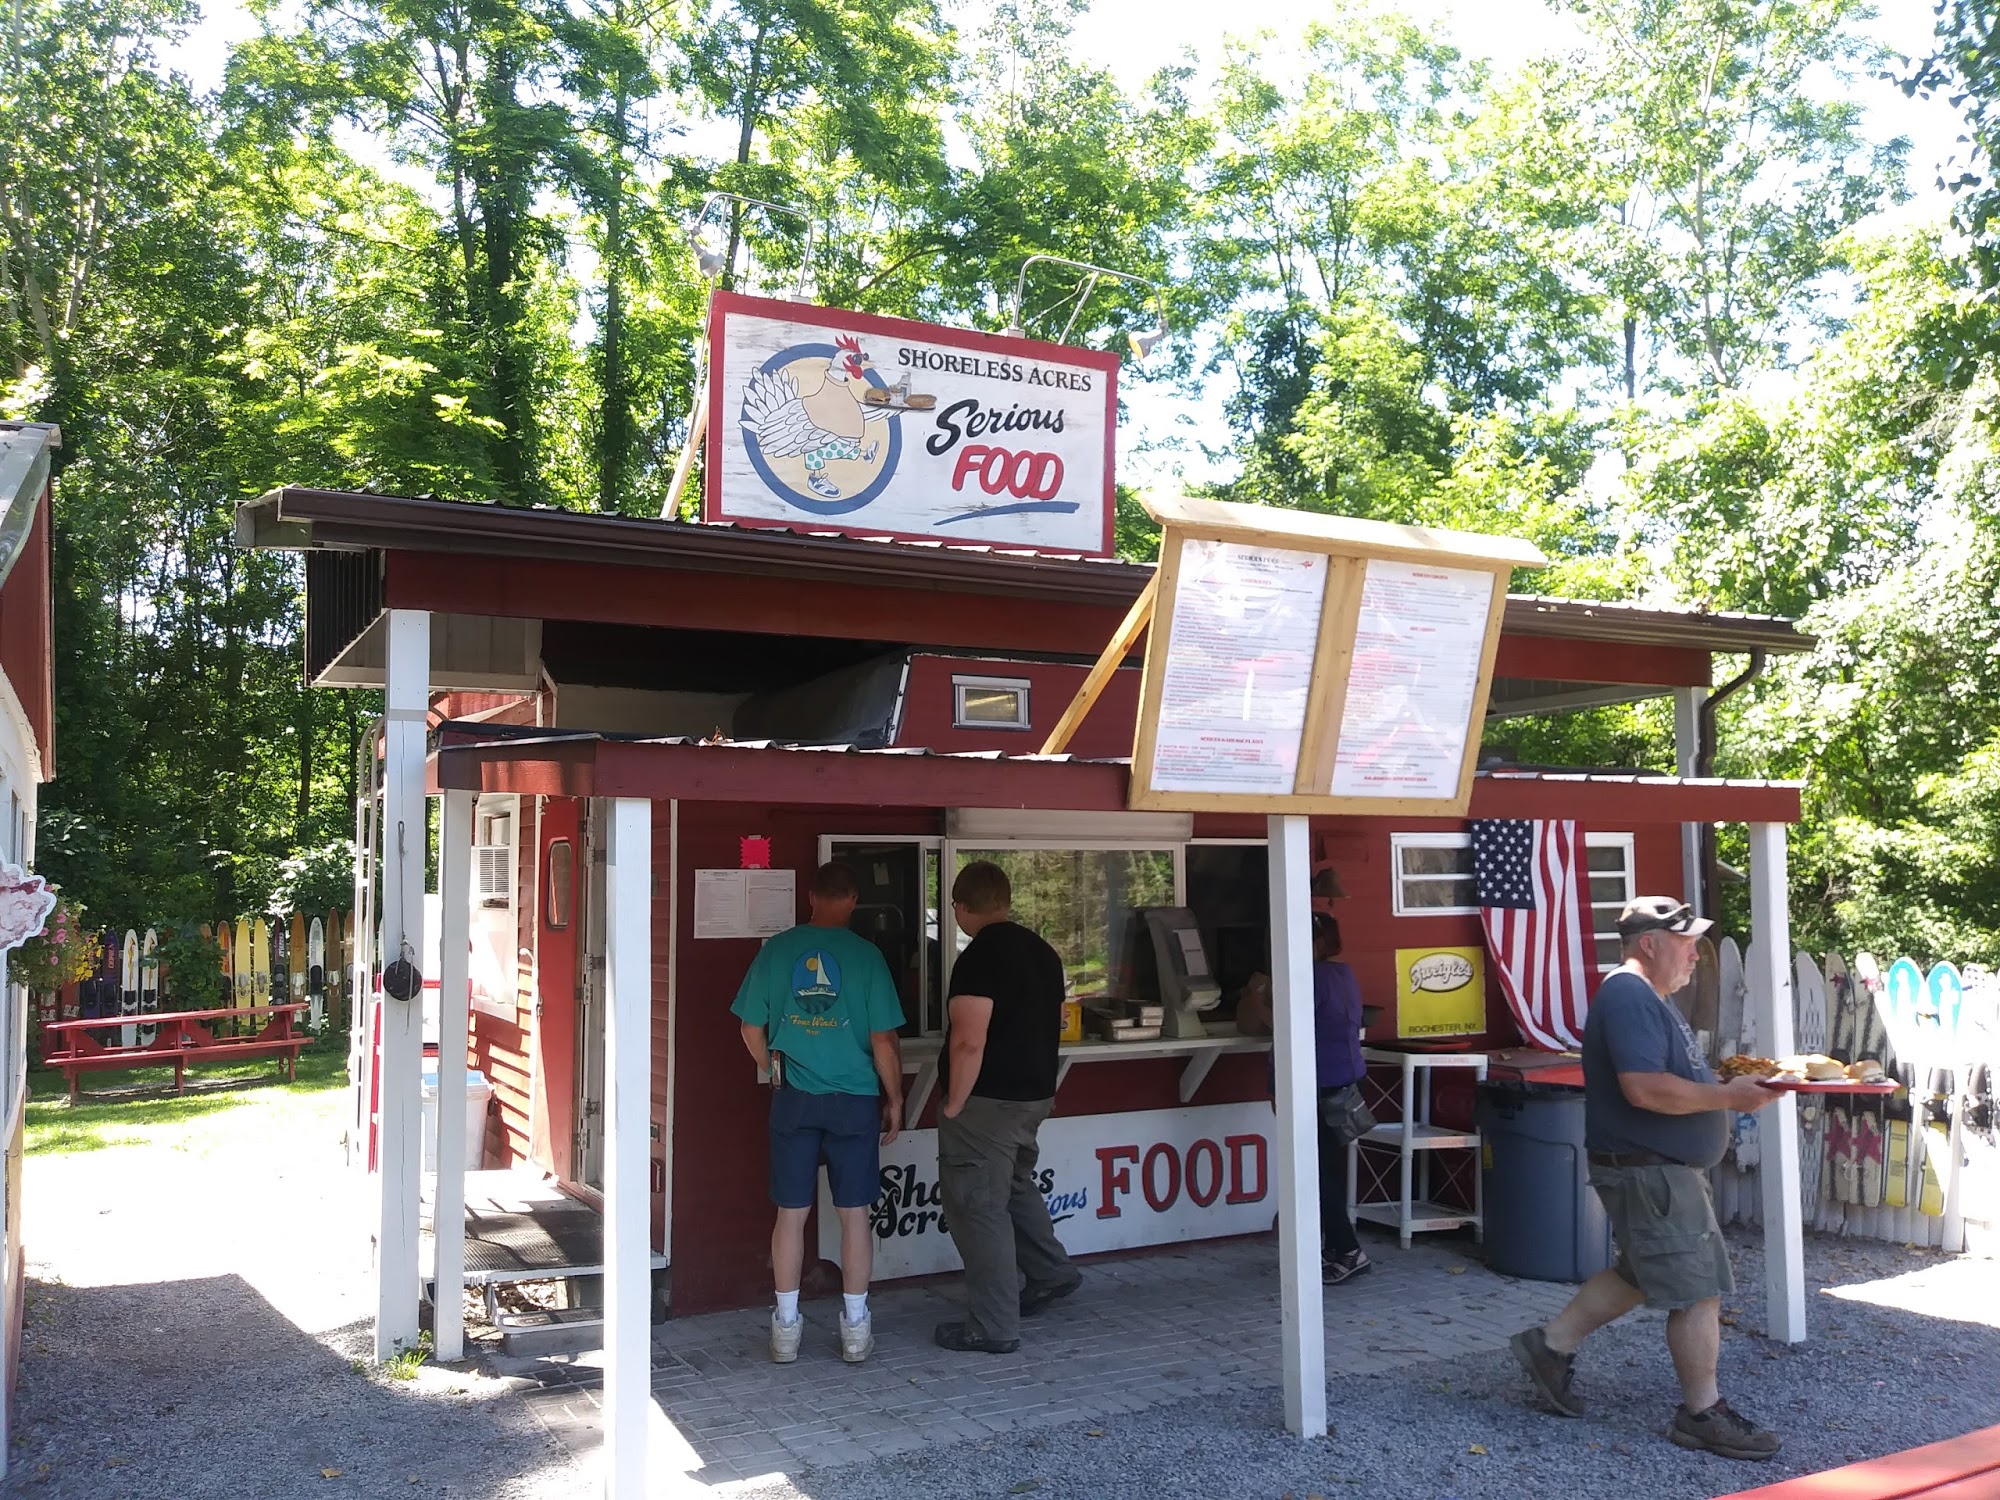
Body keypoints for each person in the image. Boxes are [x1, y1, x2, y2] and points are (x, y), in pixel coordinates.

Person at [1508, 896, 1783, 1461]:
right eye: (1684, 944)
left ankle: (1549, 1348)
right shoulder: (1630, 994)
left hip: (1653, 1171)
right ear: (1649, 944)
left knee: (1637, 1274)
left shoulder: (1646, 996)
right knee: (1698, 1291)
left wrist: (1725, 1087)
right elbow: (1645, 1089)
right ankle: (1702, 1414)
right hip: (1650, 1173)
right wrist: (1728, 1097)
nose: (1694, 956)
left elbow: (1664, 1078)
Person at [732, 862, 904, 1365]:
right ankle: (854, 1327)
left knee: (791, 1213)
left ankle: (786, 1328)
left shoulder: (778, 950)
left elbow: (749, 1028)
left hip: (795, 1097)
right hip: (853, 1099)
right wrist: (893, 1100)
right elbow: (883, 1042)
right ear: (852, 899)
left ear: (810, 896)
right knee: (854, 1216)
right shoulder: (867, 957)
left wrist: (771, 1070)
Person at [933, 860, 1081, 1354]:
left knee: (978, 1207)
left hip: (987, 1104)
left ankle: (993, 1325)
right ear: (1005, 900)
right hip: (1034, 1096)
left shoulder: (978, 959)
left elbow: (968, 1042)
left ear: (960, 907)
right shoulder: (1043, 952)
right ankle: (1050, 1272)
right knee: (1015, 1186)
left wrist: (954, 1101)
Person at [1309, 913, 1371, 1285]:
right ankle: (1336, 1247)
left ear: (1316, 942)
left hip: (1320, 1086)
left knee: (1317, 1176)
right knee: (1327, 1170)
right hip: (1346, 1083)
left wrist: (1255, 999)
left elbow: (1281, 1023)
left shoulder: (1311, 978)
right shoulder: (1344, 974)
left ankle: (1348, 1250)